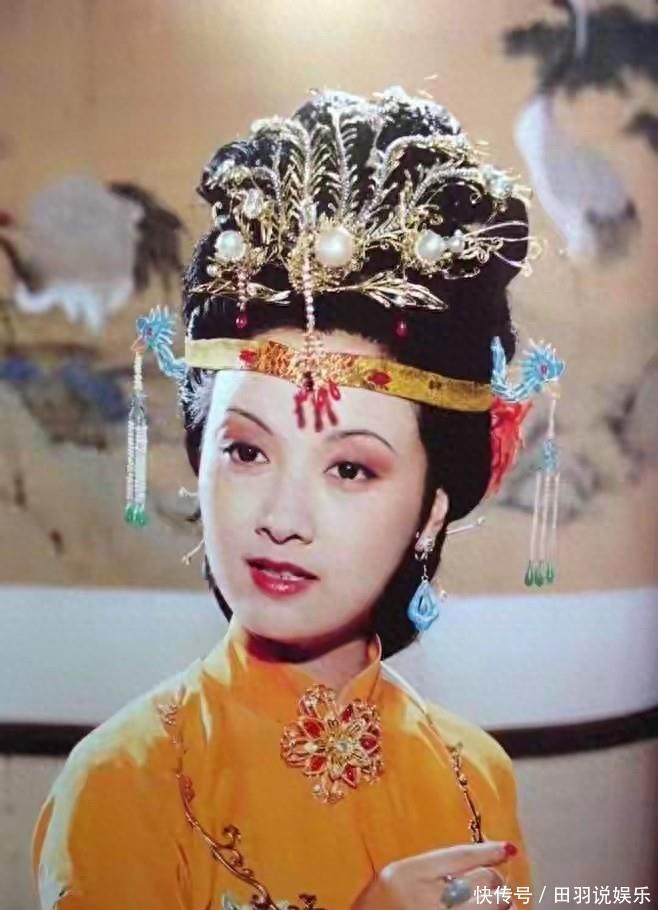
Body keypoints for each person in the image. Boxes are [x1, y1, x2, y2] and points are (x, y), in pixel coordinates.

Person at [32, 86, 563, 910]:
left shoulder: (476, 776)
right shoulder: (125, 780)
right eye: (247, 451)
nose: (280, 519)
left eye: (350, 469)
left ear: (431, 509)